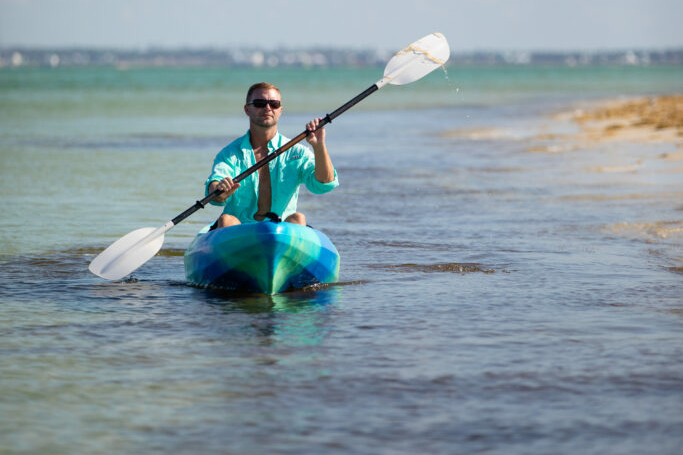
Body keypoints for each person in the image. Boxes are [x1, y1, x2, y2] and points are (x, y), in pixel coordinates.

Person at [205, 82, 338, 229]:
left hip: (280, 233)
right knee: (226, 220)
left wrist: (319, 146)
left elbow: (324, 184)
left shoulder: (297, 152)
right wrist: (220, 190)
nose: (267, 108)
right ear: (247, 109)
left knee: (298, 218)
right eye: (260, 103)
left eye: (274, 104)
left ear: (280, 110)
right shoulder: (230, 154)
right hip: (239, 231)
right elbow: (215, 191)